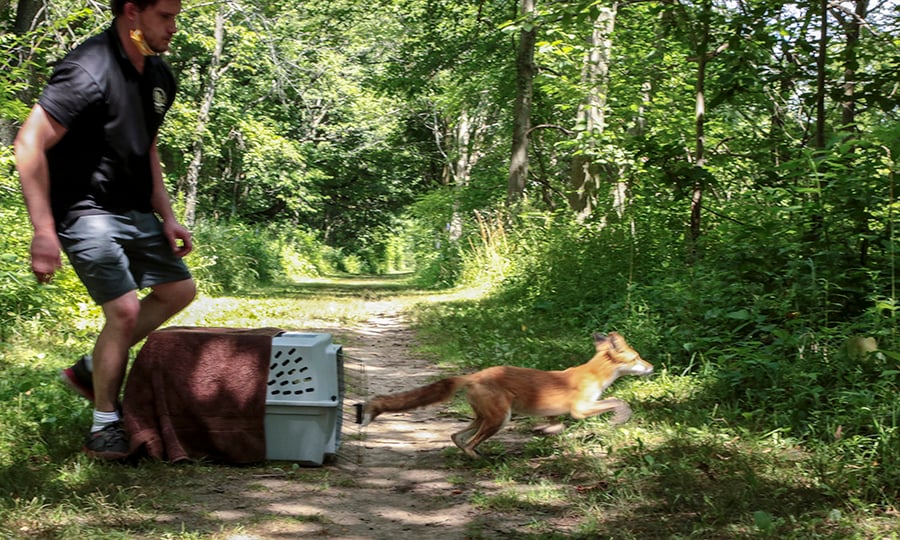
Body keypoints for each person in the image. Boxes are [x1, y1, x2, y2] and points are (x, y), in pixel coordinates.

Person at [13, 0, 195, 460]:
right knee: (125, 312)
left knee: (179, 290)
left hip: (133, 208)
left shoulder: (158, 75)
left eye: (176, 16)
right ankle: (104, 425)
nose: (174, 27)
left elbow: (148, 148)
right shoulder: (87, 68)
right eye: (166, 16)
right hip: (82, 209)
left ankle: (92, 368)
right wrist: (43, 229)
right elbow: (29, 141)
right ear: (132, 11)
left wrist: (167, 214)